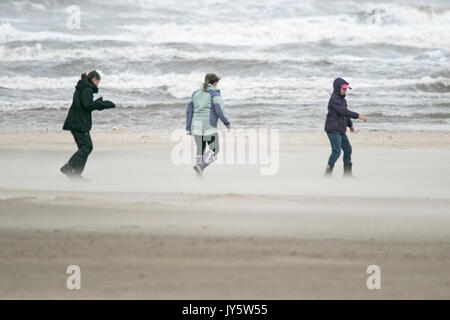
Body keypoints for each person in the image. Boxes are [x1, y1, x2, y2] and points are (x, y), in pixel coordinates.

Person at [60, 70, 115, 179]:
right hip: (79, 123)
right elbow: (87, 105)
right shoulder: (87, 89)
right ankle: (68, 167)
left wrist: (99, 103)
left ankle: (76, 175)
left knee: (84, 148)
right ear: (95, 79)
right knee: (87, 147)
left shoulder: (82, 87)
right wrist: (101, 104)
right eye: (98, 82)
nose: (98, 85)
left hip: (76, 122)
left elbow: (84, 104)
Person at [186, 73, 231, 176]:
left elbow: (189, 111)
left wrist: (188, 127)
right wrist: (227, 123)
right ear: (215, 83)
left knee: (200, 150)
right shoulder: (214, 93)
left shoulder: (195, 93)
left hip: (195, 125)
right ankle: (201, 167)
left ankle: (198, 176)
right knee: (214, 149)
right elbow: (219, 109)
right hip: (208, 126)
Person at [324, 77, 367, 177]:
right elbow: (344, 111)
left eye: (346, 89)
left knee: (348, 149)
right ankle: (327, 174)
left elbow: (344, 114)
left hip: (340, 129)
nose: (345, 91)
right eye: (343, 89)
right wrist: (358, 116)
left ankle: (347, 175)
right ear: (337, 88)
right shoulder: (334, 100)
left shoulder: (342, 99)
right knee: (336, 152)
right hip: (332, 130)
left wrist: (350, 125)